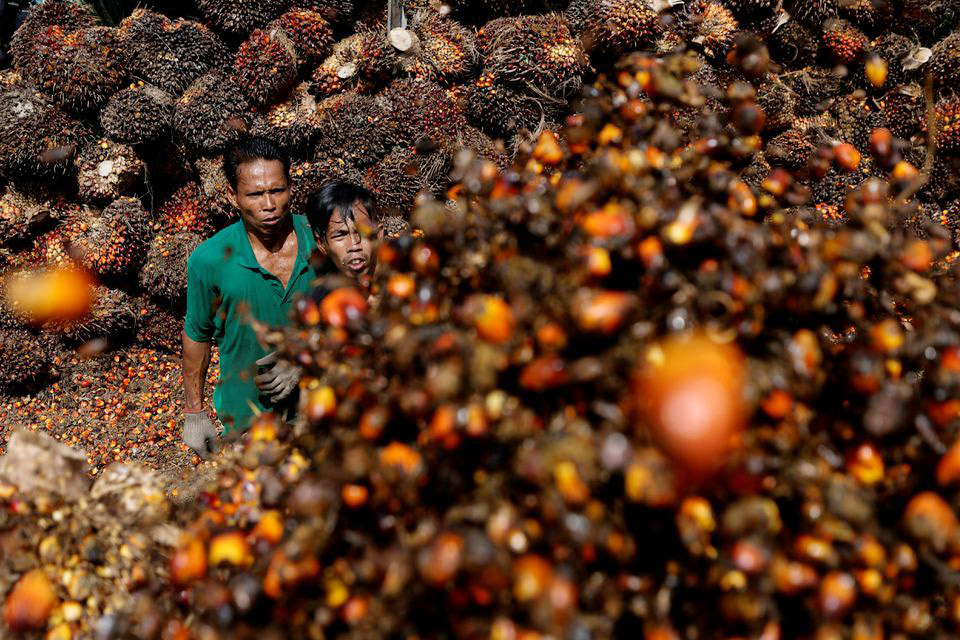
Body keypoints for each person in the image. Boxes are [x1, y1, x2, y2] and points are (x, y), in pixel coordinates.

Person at [181, 136, 319, 458]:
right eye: (255, 194)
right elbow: (196, 335)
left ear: (290, 187)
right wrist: (194, 414)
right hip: (248, 424)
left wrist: (306, 358)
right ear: (233, 196)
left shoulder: (322, 239)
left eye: (277, 190)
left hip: (323, 410)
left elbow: (361, 309)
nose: (269, 205)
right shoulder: (209, 260)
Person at [304, 182, 384, 290]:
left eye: (362, 232)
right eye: (340, 235)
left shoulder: (407, 285)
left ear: (379, 235)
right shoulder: (323, 302)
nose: (354, 246)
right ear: (321, 244)